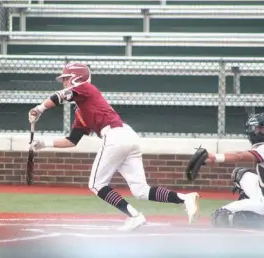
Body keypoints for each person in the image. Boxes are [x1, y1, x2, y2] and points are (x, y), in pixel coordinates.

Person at [28, 63, 200, 231]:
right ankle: (185, 199)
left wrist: (39, 109)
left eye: (66, 78)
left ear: (76, 77)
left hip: (115, 136)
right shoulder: (82, 110)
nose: (64, 82)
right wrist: (44, 144)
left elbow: (59, 96)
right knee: (141, 191)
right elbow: (72, 140)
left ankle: (134, 216)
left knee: (96, 185)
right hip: (126, 136)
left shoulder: (86, 88)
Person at [207, 112, 264, 229]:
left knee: (221, 216)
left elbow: (240, 155)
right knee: (240, 174)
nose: (255, 131)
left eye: (261, 128)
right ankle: (254, 208)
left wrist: (216, 157)